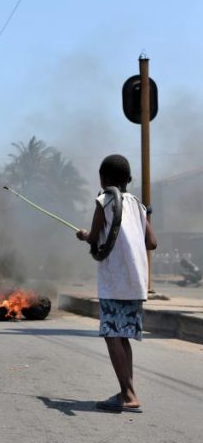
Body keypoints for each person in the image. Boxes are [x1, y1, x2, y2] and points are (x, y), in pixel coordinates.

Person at [76, 154, 157, 413]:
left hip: (114, 281)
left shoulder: (105, 200)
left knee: (112, 336)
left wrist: (84, 235)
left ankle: (128, 393)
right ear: (128, 179)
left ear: (104, 179)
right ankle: (128, 391)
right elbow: (152, 243)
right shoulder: (137, 205)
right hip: (136, 281)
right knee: (122, 336)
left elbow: (94, 236)